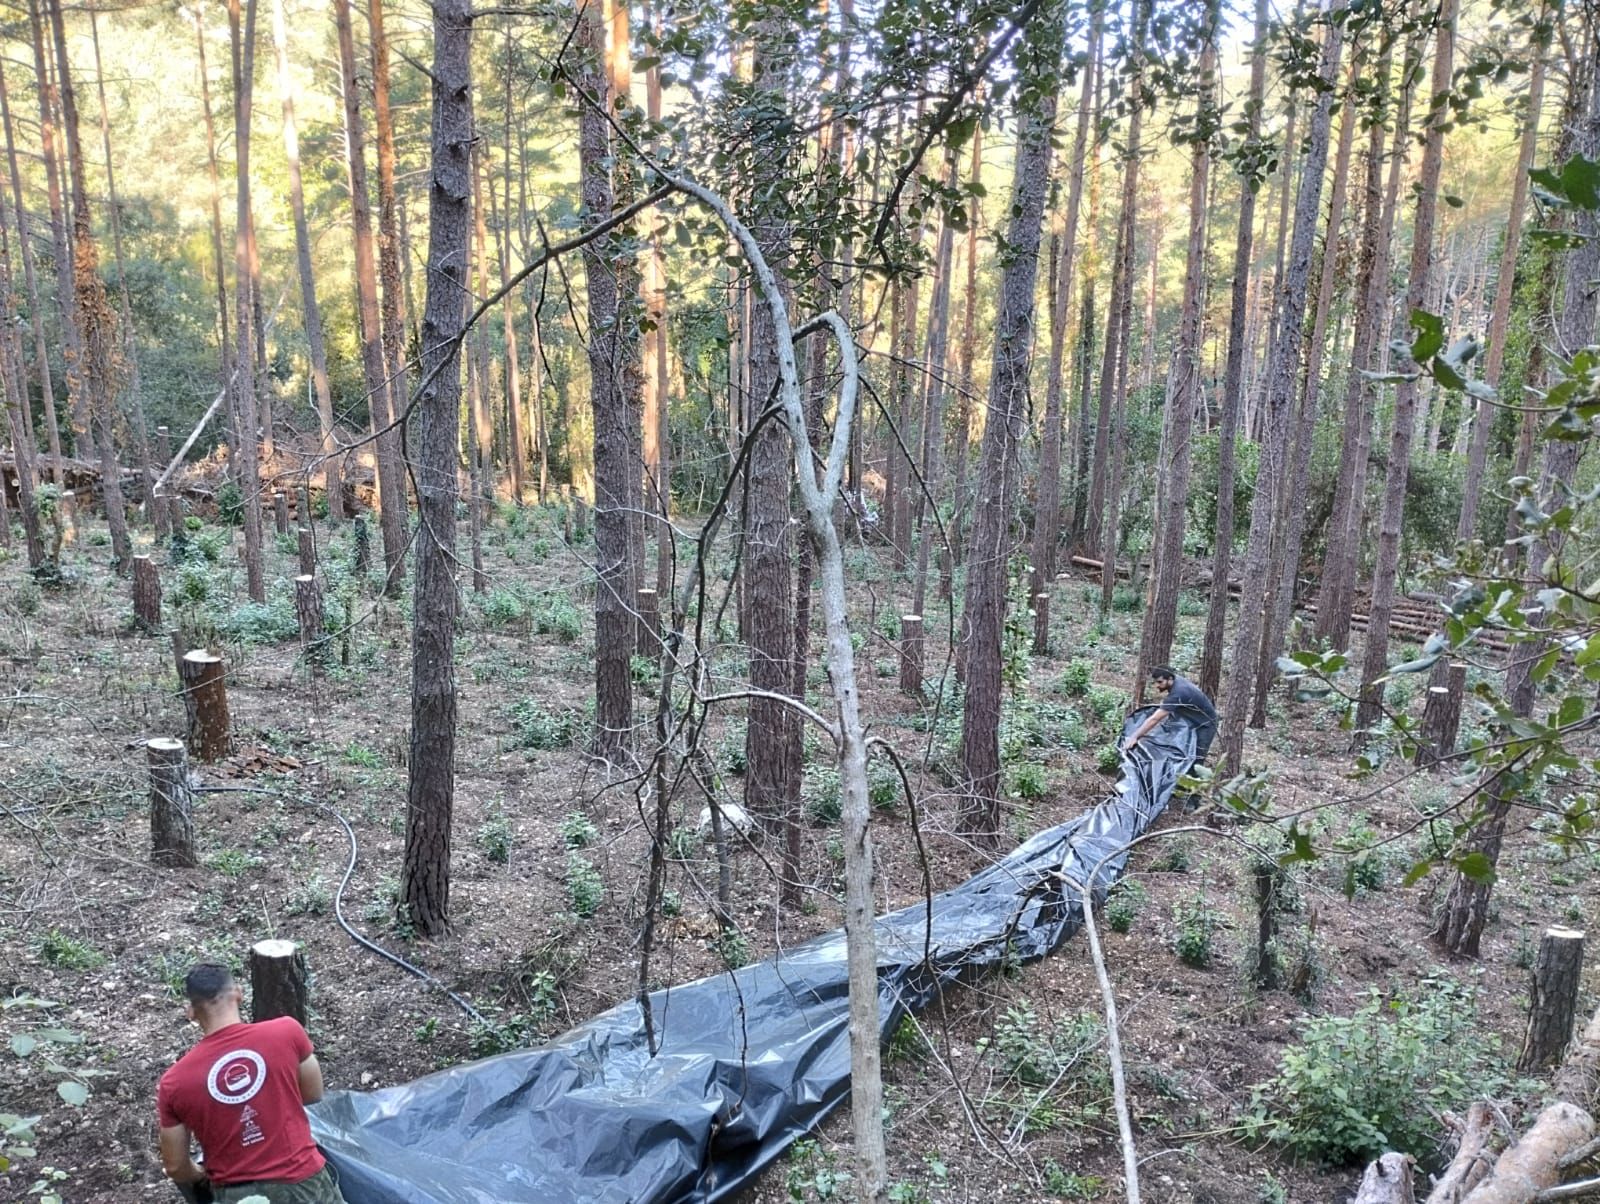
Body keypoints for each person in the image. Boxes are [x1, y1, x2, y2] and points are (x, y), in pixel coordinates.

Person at [157, 964, 346, 1204]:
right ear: (238, 993)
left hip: (237, 1195)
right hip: (303, 1182)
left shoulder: (174, 1082)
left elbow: (175, 1166)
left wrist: (199, 1173)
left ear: (191, 1012)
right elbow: (312, 1093)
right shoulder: (286, 1031)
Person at [1123, 666, 1217, 767]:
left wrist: (1135, 736)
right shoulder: (1175, 682)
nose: (1156, 686)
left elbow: (1155, 719)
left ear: (1170, 679)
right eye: (1155, 682)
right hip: (1190, 719)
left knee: (1196, 758)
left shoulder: (1178, 693)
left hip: (1205, 724)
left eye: (1160, 682)